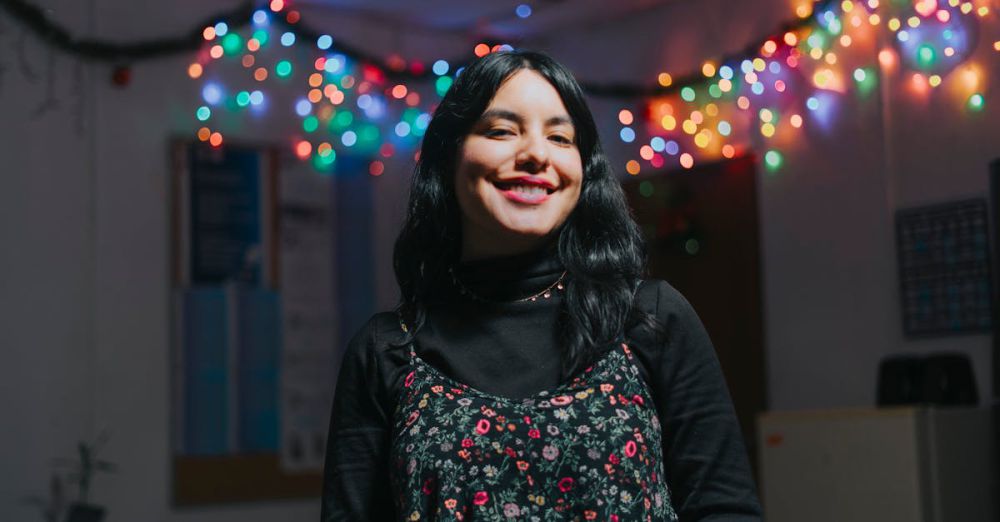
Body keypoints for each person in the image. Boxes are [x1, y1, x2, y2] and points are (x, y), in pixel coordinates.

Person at [322, 50, 762, 521]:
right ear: (449, 157)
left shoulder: (650, 318)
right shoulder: (386, 350)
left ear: (582, 169)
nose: (535, 154)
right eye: (501, 130)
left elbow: (725, 510)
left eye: (559, 136)